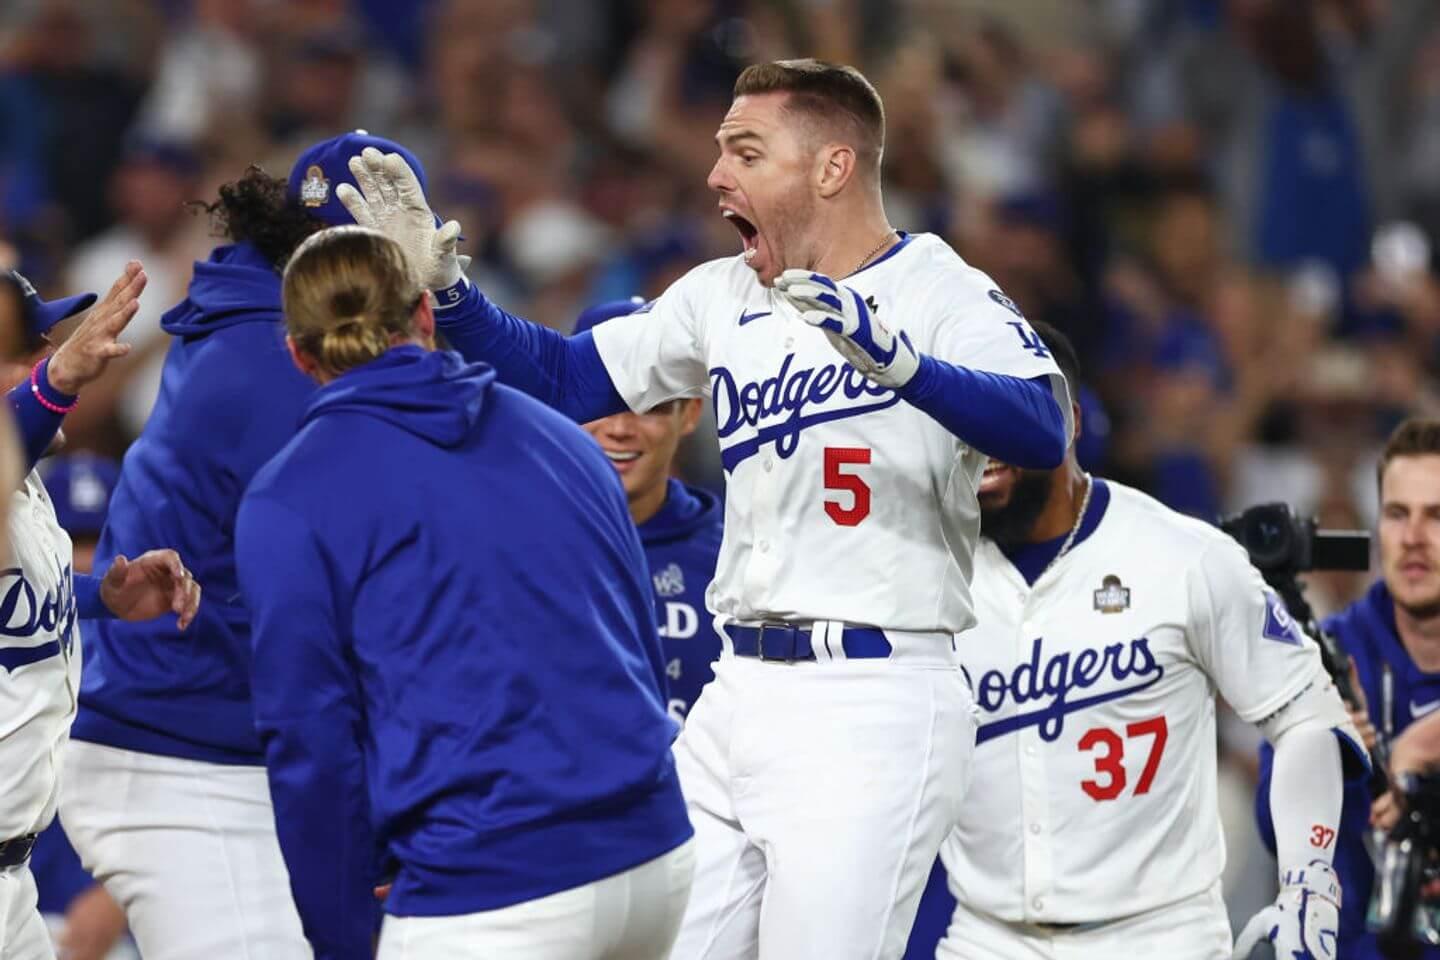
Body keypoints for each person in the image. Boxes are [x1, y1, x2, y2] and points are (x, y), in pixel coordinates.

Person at [341, 57, 1072, 958]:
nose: (718, 172)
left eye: (746, 150)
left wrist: (900, 362)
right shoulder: (725, 292)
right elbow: (568, 377)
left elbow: (1044, 425)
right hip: (740, 689)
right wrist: (449, 294)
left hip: (873, 694)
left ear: (833, 168)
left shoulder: (934, 287)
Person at [235, 225, 693, 959]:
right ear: (424, 312)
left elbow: (311, 745)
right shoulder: (565, 437)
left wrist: (343, 936)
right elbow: (636, 645)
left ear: (297, 352)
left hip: (495, 884)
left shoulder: (290, 496)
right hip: (657, 858)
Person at [57, 130, 423, 959]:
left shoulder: (261, 327)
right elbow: (357, 610)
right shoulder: (278, 366)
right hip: (191, 762)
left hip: (226, 743)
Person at [918, 321, 1363, 960]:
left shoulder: (1182, 555)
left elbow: (1307, 716)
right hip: (988, 937)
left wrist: (1309, 879)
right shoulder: (923, 577)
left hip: (1159, 939)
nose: (979, 446)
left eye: (1004, 419)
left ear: (1066, 423)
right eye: (964, 426)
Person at [1, 266, 200, 960]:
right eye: (25, 353)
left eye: (46, 348)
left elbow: (16, 602)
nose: (45, 361)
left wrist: (103, 599)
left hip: (12, 884)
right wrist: (55, 382)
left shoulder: (27, 490)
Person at [1255, 417, 1440, 960]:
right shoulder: (1326, 652)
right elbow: (1275, 833)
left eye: (1436, 516)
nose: (1413, 538)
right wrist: (1319, 756)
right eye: (1397, 514)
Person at [573, 299, 724, 722]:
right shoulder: (512, 548)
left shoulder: (738, 560)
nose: (619, 428)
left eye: (650, 406)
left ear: (690, 413)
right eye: (597, 403)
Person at [29, 454, 134, 960]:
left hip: (125, 924)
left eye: (99, 539)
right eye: (72, 538)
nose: (85, 559)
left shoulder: (161, 654)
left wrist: (121, 897)